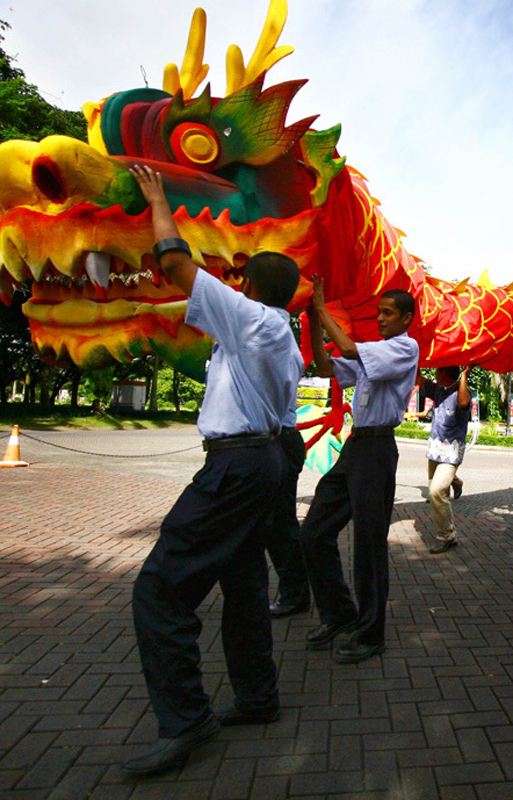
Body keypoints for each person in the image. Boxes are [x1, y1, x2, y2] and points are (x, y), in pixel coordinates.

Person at [122, 164, 303, 776]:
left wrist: (156, 198)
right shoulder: (273, 330)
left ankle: (186, 719)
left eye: (238, 279)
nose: (230, 283)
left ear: (249, 289)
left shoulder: (251, 320)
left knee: (160, 590)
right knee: (245, 583)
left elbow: (175, 264)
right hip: (265, 461)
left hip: (238, 468)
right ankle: (258, 698)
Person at [300, 276, 419, 664]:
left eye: (387, 313)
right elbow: (325, 366)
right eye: (379, 312)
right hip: (356, 447)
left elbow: (349, 349)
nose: (380, 318)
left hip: (378, 450)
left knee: (369, 545)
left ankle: (371, 633)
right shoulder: (375, 353)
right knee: (314, 533)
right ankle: (339, 614)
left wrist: (320, 308)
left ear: (406, 318)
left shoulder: (404, 348)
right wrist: (315, 325)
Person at [416, 366, 471, 553]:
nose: (435, 375)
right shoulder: (438, 390)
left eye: (438, 371)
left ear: (446, 374)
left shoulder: (462, 393)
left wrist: (464, 376)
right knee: (438, 491)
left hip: (451, 452)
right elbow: (419, 378)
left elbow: (463, 404)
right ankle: (455, 482)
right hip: (435, 450)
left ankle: (447, 536)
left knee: (437, 491)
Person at [266, 420, 311, 618]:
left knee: (280, 524)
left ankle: (295, 594)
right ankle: (295, 593)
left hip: (279, 440)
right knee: (278, 523)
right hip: (277, 440)